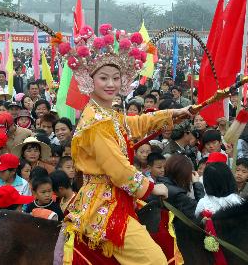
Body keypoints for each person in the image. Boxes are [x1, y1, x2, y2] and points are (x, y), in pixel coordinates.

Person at [61, 25, 192, 265]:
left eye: (115, 78)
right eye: (103, 78)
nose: (110, 84)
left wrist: (174, 114)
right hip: (103, 202)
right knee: (155, 261)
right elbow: (119, 170)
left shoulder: (107, 113)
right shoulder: (96, 123)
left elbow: (137, 123)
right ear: (90, 81)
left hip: (116, 195)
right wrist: (153, 188)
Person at [155, 154, 205, 220]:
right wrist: (196, 183)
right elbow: (201, 211)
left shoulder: (160, 183)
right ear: (184, 174)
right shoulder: (178, 195)